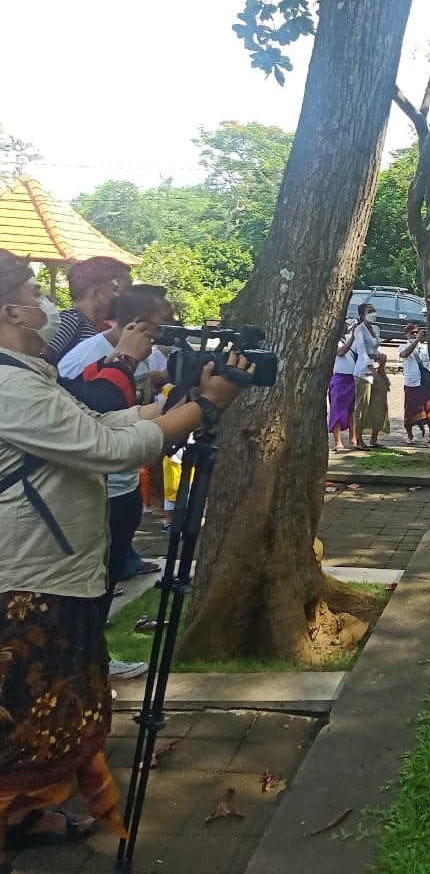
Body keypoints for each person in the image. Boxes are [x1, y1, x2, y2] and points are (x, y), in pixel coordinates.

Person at [0, 249, 247, 873]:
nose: (45, 304)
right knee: (20, 711)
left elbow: (93, 419)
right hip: (27, 576)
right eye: (34, 293)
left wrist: (173, 404)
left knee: (47, 707)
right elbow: (103, 448)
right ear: (10, 310)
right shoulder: (8, 383)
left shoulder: (24, 371)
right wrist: (204, 407)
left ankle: (27, 815)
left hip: (52, 568)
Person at [59, 285, 177, 678]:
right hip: (92, 487)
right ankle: (77, 664)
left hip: (124, 485)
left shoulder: (149, 352)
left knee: (109, 577)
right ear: (136, 324)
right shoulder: (84, 358)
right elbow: (80, 419)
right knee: (86, 581)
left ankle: (98, 659)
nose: (169, 330)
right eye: (163, 323)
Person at [44, 256, 130, 367]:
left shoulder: (88, 327)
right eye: (116, 290)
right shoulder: (70, 321)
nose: (121, 297)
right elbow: (41, 360)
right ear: (95, 293)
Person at [399, 321, 430, 447]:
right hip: (412, 382)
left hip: (425, 383)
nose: (415, 334)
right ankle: (410, 436)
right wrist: (416, 341)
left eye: (417, 332)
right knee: (410, 410)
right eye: (412, 333)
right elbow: (404, 354)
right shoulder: (402, 346)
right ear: (406, 334)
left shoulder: (425, 347)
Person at [350, 303, 381, 449]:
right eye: (369, 311)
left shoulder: (375, 328)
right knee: (362, 405)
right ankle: (358, 439)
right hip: (363, 372)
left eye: (373, 310)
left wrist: (380, 360)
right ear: (362, 315)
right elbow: (362, 352)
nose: (373, 313)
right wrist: (371, 368)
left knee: (376, 405)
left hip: (376, 369)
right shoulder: (359, 330)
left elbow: (376, 348)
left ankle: (374, 438)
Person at [328, 319, 358, 452]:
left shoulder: (352, 340)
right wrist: (352, 338)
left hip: (353, 378)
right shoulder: (334, 341)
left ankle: (353, 438)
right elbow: (340, 352)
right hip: (340, 378)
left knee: (352, 411)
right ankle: (337, 441)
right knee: (337, 410)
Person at [355, 352, 392, 449]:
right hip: (364, 374)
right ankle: (359, 439)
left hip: (377, 371)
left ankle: (374, 438)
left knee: (380, 407)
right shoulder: (359, 337)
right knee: (363, 407)